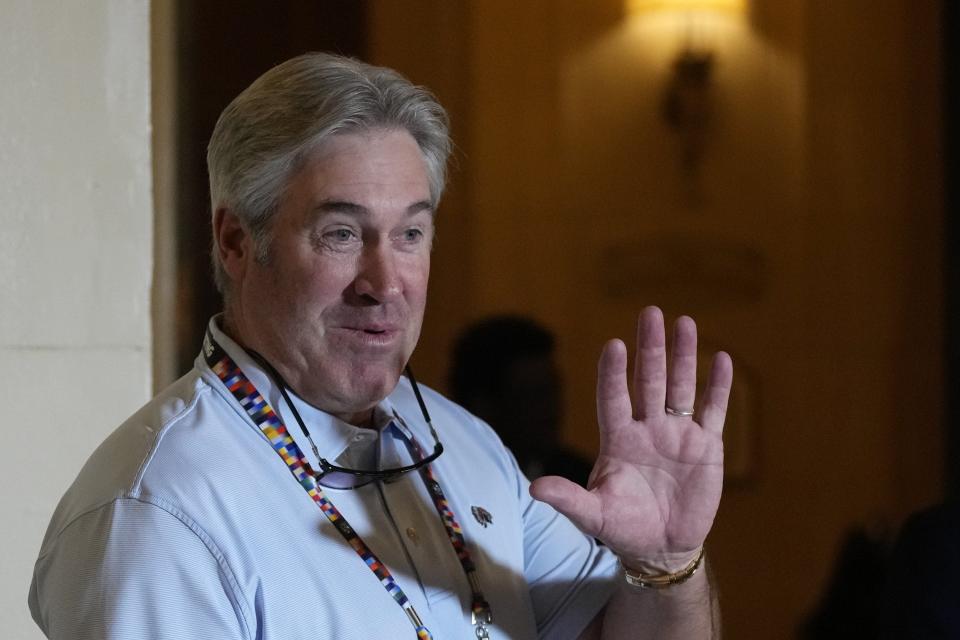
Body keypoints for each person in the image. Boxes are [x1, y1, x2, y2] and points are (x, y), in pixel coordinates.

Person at [29, 53, 732, 639]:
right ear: (238, 242)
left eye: (410, 234)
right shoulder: (158, 511)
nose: (385, 283)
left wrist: (666, 565)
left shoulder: (470, 449)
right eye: (341, 234)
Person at [450, 315, 593, 485]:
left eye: (552, 390)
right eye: (533, 395)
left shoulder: (579, 479)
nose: (550, 409)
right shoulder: (447, 476)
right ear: (483, 404)